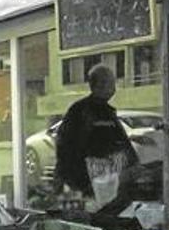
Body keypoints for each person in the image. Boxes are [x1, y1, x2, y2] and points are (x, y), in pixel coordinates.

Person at [54, 64, 138, 200]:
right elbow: (67, 148)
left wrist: (133, 164)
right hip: (86, 183)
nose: (114, 87)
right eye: (111, 82)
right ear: (99, 85)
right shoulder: (81, 111)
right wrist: (78, 183)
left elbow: (121, 142)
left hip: (103, 182)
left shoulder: (107, 112)